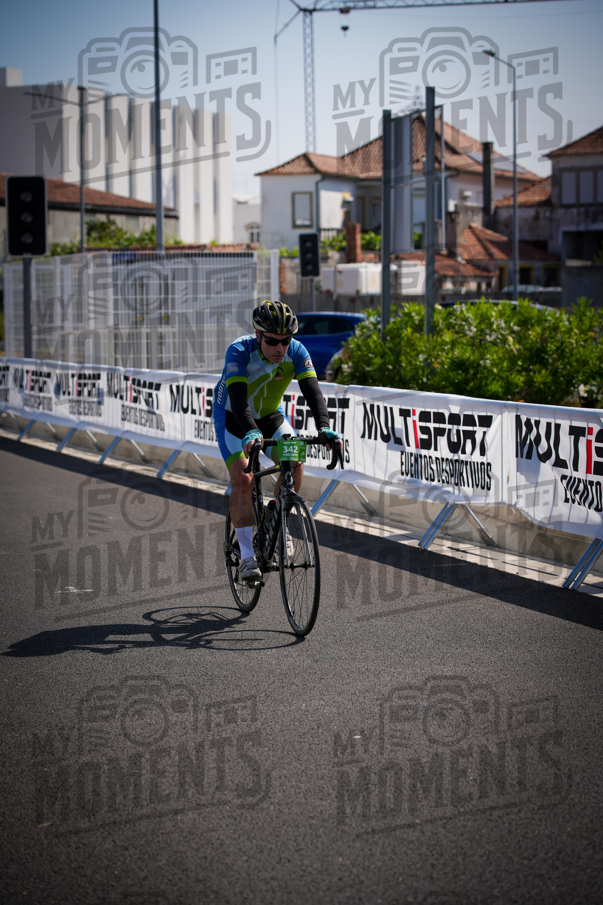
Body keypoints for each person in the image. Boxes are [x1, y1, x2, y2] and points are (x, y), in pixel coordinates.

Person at [214, 300, 342, 581]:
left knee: (294, 461)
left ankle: (277, 518)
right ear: (258, 335)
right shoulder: (239, 351)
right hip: (234, 420)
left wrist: (324, 428)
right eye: (272, 341)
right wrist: (250, 430)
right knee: (244, 479)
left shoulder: (296, 351)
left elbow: (313, 393)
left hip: (271, 416)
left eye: (286, 341)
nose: (280, 348)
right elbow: (238, 401)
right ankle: (247, 557)